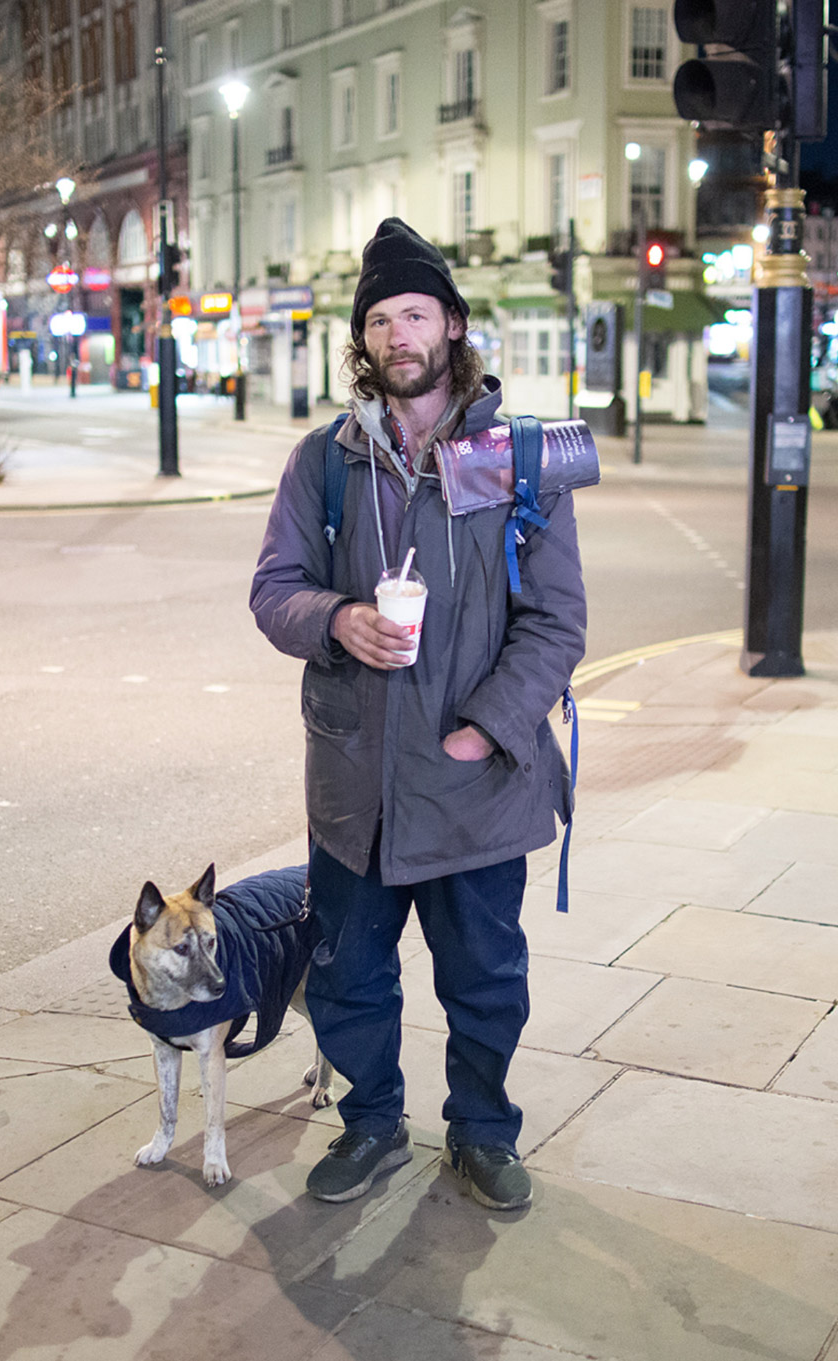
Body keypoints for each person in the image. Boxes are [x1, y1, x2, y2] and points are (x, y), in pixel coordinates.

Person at [249, 218, 587, 1213]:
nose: (399, 334)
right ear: (363, 338)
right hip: (356, 785)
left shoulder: (520, 458)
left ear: (451, 324)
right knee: (349, 976)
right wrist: (337, 619)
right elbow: (274, 590)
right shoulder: (324, 462)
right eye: (380, 318)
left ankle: (481, 1130)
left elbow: (556, 621)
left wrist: (486, 726)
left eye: (415, 313)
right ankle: (369, 1120)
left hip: (474, 781)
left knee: (484, 979)